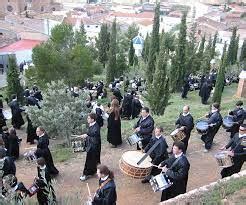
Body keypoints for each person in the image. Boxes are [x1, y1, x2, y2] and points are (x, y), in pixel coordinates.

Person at [80, 113, 101, 181]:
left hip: (94, 146)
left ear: (92, 119)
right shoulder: (91, 125)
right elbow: (90, 134)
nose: (87, 119)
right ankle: (95, 171)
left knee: (89, 160)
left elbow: (94, 134)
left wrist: (87, 135)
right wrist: (86, 136)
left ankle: (86, 174)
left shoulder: (96, 126)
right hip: (92, 145)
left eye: (88, 118)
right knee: (94, 160)